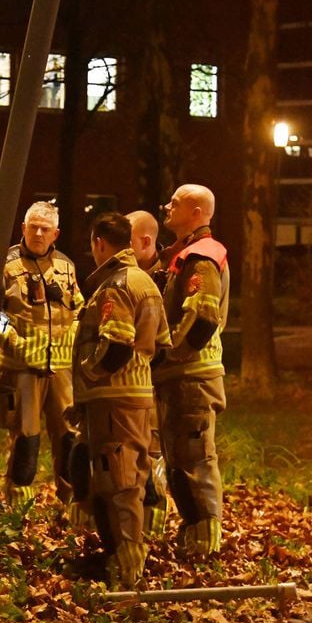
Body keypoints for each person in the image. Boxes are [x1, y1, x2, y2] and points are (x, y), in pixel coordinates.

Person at [70, 212, 170, 588]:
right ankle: (119, 556)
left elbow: (115, 346)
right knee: (131, 473)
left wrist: (89, 373)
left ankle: (126, 563)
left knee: (119, 480)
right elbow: (160, 347)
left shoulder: (115, 285)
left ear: (99, 243)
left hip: (113, 399)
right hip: (139, 395)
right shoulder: (146, 281)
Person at [154, 184, 230, 558]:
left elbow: (202, 317)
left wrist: (167, 355)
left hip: (193, 376)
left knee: (194, 456)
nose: (167, 206)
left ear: (198, 212)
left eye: (176, 203)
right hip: (182, 377)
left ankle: (205, 539)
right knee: (179, 456)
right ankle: (195, 534)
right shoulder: (182, 255)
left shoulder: (201, 258)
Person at [0, 201, 83, 505]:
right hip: (20, 369)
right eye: (34, 227)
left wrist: (76, 334)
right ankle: (18, 512)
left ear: (56, 233)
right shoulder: (4, 265)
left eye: (45, 229)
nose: (39, 233)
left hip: (61, 370)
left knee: (70, 439)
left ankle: (70, 507)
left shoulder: (66, 268)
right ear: (23, 228)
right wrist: (12, 341)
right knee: (25, 443)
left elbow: (80, 309)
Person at [125, 209, 170, 536]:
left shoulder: (167, 277)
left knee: (153, 451)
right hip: (131, 382)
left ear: (144, 241)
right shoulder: (125, 275)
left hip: (156, 380)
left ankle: (154, 525)